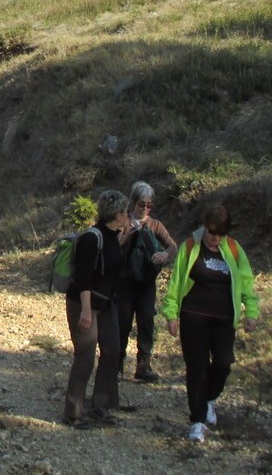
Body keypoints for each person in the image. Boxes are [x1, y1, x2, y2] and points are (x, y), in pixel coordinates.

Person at [162, 205, 259, 443]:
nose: (215, 238)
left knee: (224, 363)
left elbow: (246, 282)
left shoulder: (234, 250)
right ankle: (196, 422)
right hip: (193, 316)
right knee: (197, 369)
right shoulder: (190, 247)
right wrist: (171, 314)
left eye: (220, 234)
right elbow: (175, 283)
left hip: (224, 319)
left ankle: (208, 400)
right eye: (212, 232)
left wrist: (251, 312)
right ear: (205, 227)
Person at [62, 190, 129, 429]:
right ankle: (74, 412)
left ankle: (100, 405)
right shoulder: (92, 238)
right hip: (84, 304)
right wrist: (87, 312)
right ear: (118, 215)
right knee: (86, 356)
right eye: (125, 213)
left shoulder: (113, 237)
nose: (127, 217)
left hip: (106, 304)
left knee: (112, 351)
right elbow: (83, 278)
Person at [117, 181, 178, 382]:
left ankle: (143, 366)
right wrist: (129, 234)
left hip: (146, 283)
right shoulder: (124, 221)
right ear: (133, 203)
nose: (145, 208)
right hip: (125, 282)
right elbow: (114, 245)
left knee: (146, 322)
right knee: (122, 323)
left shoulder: (155, 225)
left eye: (149, 205)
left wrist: (164, 254)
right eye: (142, 204)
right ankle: (116, 365)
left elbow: (172, 247)